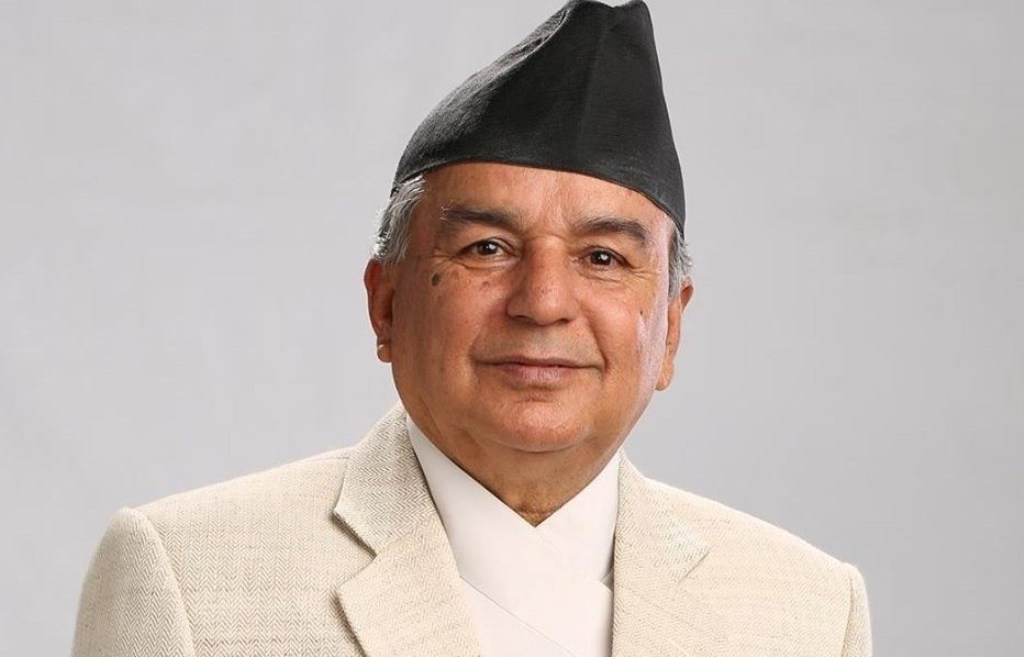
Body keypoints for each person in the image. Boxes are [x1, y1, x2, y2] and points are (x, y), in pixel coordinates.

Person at [72, 2, 872, 656]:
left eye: (602, 257)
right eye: (487, 247)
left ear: (669, 329)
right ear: (386, 303)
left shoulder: (806, 613)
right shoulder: (189, 583)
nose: (543, 301)